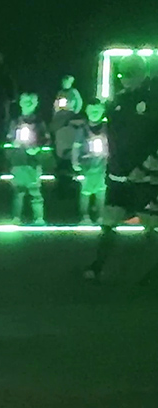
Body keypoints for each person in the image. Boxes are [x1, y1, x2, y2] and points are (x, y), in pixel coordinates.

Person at [84, 56, 158, 281]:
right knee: (109, 221)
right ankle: (98, 266)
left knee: (150, 224)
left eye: (131, 73)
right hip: (118, 173)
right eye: (123, 74)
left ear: (143, 74)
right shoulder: (118, 101)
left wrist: (147, 167)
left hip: (145, 176)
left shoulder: (153, 100)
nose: (126, 78)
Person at [8, 92, 48, 225]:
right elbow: (10, 138)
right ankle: (16, 217)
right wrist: (14, 143)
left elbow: (46, 139)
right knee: (18, 191)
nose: (28, 105)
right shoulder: (15, 122)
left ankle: (39, 218)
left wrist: (37, 148)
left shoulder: (39, 122)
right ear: (20, 103)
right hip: (18, 161)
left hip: (33, 162)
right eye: (25, 102)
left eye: (31, 102)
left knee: (35, 190)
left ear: (36, 104)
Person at [72, 101, 109, 225]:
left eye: (97, 110)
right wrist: (75, 161)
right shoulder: (82, 129)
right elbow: (76, 146)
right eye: (92, 110)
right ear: (87, 111)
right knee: (85, 191)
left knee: (101, 191)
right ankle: (84, 216)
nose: (94, 113)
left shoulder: (107, 128)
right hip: (87, 165)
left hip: (102, 165)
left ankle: (100, 216)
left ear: (102, 111)